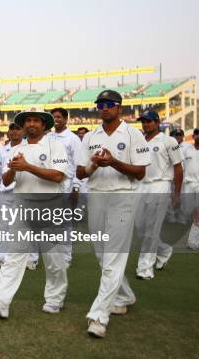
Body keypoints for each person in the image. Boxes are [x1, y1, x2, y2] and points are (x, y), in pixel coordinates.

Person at [0, 108, 69, 318]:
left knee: (53, 259)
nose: (31, 124)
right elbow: (6, 180)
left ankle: (55, 298)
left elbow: (57, 176)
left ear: (44, 125)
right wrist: (14, 169)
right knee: (14, 256)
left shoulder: (55, 145)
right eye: (27, 121)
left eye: (35, 121)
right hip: (22, 206)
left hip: (49, 206)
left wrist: (27, 167)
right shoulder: (15, 149)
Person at [76, 90, 150, 338]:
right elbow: (80, 173)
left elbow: (139, 173)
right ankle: (125, 295)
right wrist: (95, 164)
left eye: (109, 104)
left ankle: (99, 316)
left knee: (113, 257)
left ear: (119, 107)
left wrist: (114, 162)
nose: (104, 108)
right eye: (100, 104)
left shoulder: (132, 134)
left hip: (122, 198)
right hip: (96, 197)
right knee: (101, 254)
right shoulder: (89, 137)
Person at [133, 111, 183, 279]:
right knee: (139, 228)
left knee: (152, 229)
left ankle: (145, 269)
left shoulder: (169, 141)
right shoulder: (139, 140)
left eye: (149, 121)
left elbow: (178, 168)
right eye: (143, 122)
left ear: (157, 122)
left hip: (160, 185)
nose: (145, 124)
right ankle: (164, 249)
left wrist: (177, 193)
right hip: (141, 186)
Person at [47, 108, 82, 267]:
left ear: (66, 119)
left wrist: (75, 187)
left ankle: (66, 256)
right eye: (53, 117)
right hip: (50, 183)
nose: (56, 119)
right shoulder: (49, 137)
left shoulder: (73, 139)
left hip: (66, 183)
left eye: (59, 117)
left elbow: (77, 164)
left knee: (65, 223)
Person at [0, 123, 23, 274]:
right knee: (4, 227)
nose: (14, 132)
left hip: (23, 192)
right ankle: (0, 259)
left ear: (22, 131)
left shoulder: (28, 148)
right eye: (12, 129)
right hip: (5, 193)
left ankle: (31, 258)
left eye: (17, 129)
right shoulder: (2, 150)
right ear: (8, 133)